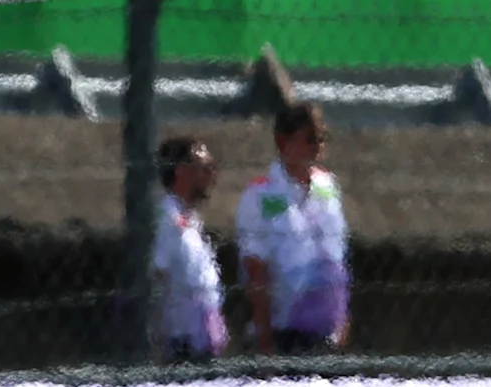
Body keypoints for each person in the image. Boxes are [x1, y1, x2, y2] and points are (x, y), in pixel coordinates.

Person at [236, 101, 350, 356]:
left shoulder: (327, 186)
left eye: (323, 138)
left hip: (327, 331)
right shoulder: (261, 195)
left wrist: (343, 320)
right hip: (284, 332)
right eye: (311, 138)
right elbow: (256, 270)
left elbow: (338, 256)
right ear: (283, 141)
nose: (319, 145)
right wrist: (266, 346)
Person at [150, 134, 227, 362]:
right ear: (182, 171)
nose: (212, 175)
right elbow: (156, 277)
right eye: (205, 167)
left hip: (202, 342)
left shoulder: (190, 220)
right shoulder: (166, 219)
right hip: (180, 345)